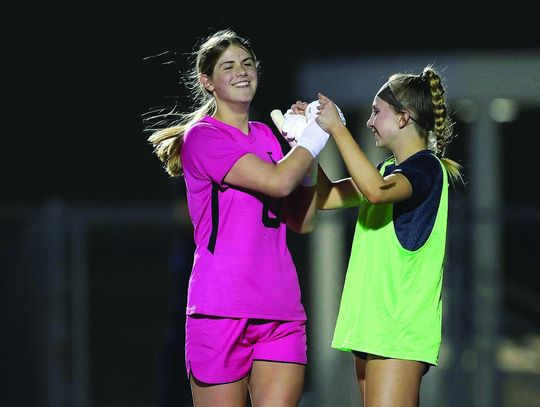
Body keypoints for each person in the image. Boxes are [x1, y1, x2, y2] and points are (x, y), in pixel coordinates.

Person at [146, 29, 331, 407]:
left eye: (247, 63)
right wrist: (314, 137)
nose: (242, 71)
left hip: (280, 311)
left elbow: (303, 220)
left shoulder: (266, 135)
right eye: (228, 66)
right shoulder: (203, 137)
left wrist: (303, 154)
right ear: (207, 82)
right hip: (220, 311)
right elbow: (278, 182)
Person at [290, 66, 463, 406]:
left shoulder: (427, 168)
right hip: (373, 327)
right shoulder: (386, 170)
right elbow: (325, 197)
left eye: (376, 111)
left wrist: (338, 129)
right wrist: (304, 142)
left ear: (403, 117)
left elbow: (377, 191)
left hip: (398, 330)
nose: (369, 121)